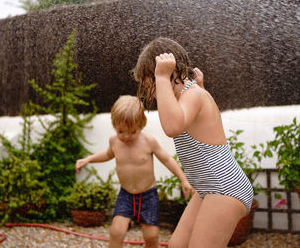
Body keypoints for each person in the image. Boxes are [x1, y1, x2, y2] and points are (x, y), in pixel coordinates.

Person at [132, 37, 254, 248]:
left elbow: (172, 127)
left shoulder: (193, 94)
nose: (150, 92)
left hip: (223, 186)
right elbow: (198, 122)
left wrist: (161, 78)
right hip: (206, 188)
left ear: (165, 71)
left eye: (148, 83)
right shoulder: (190, 95)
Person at [75, 95, 194, 248]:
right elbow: (108, 154)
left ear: (141, 124)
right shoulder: (114, 141)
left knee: (151, 236)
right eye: (121, 131)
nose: (126, 136)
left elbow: (167, 159)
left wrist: (183, 179)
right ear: (114, 125)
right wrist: (88, 159)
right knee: (116, 232)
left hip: (148, 195)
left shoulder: (148, 142)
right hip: (126, 195)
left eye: (132, 132)